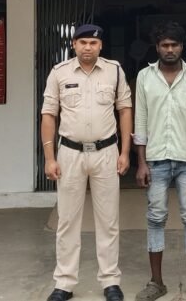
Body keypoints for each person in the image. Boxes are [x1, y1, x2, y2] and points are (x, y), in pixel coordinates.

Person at [40, 24, 133, 301]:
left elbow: (124, 110)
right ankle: (64, 283)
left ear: (100, 45)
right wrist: (49, 158)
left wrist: (125, 152)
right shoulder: (59, 72)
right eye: (82, 42)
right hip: (70, 153)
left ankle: (110, 281)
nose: (88, 47)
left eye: (93, 43)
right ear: (74, 44)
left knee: (109, 221)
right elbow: (48, 115)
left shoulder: (114, 71)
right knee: (68, 220)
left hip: (106, 153)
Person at [133, 22, 186, 301]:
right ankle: (156, 282)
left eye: (174, 45)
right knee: (155, 218)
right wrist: (141, 162)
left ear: (182, 46)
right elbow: (140, 121)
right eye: (165, 45)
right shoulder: (144, 77)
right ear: (157, 47)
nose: (170, 49)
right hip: (155, 160)